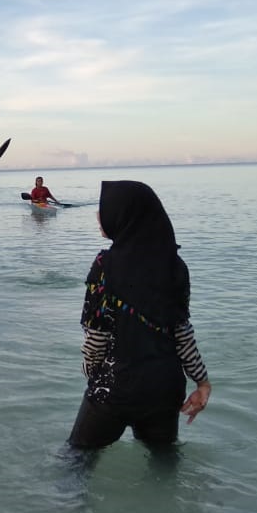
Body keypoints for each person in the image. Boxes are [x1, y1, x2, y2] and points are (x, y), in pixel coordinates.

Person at [68, 180, 211, 450]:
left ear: (125, 216)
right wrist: (202, 382)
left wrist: (90, 373)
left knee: (75, 461)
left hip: (114, 389)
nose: (100, 216)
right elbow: (182, 333)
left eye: (105, 209)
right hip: (165, 389)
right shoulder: (176, 266)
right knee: (165, 461)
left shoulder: (104, 266)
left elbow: (96, 337)